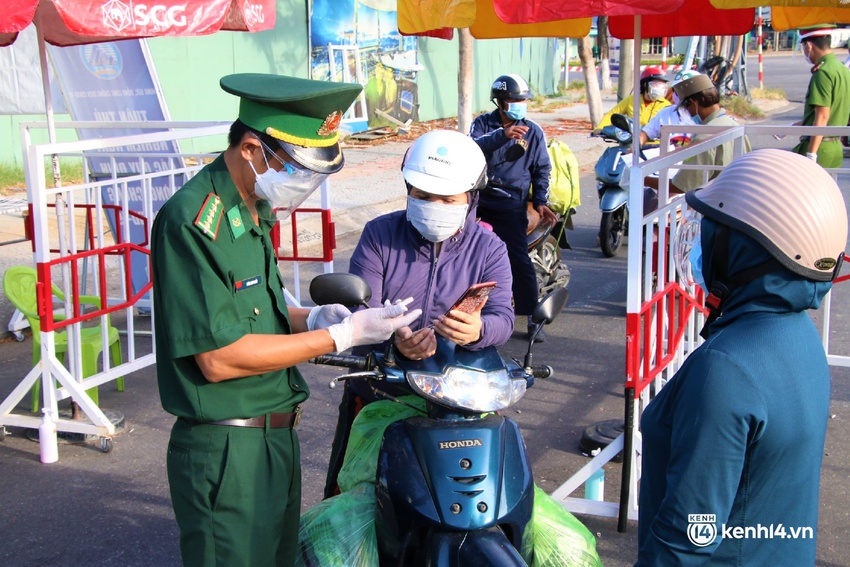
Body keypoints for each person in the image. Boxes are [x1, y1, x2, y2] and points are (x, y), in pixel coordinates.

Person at [151, 73, 422, 567]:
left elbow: (260, 313)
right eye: (299, 169)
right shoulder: (193, 221)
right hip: (227, 448)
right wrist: (337, 336)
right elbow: (218, 356)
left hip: (276, 439)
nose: (306, 183)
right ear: (253, 148)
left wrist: (314, 315)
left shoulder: (254, 209)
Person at [638, 149, 847, 564]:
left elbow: (687, 538)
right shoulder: (797, 334)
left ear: (746, 250)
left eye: (712, 232)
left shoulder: (726, 368)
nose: (700, 244)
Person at [323, 129, 515, 498]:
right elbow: (361, 307)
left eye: (446, 199)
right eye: (423, 196)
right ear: (408, 190)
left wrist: (477, 330)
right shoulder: (379, 235)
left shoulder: (489, 248)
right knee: (356, 498)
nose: (434, 205)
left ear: (470, 199)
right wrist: (396, 340)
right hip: (382, 387)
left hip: (461, 399)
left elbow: (504, 318)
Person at [469, 73, 557, 341]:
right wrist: (501, 135)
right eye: (514, 100)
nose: (520, 104)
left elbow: (542, 169)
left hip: (510, 203)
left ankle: (533, 316)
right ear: (500, 101)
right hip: (478, 198)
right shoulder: (483, 125)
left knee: (517, 259)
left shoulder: (534, 131)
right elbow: (471, 149)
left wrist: (541, 201)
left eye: (523, 100)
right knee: (458, 248)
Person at [648, 73, 751, 195]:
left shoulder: (703, 136)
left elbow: (683, 186)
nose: (689, 113)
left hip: (714, 202)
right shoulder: (733, 125)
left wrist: (642, 179)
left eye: (686, 108)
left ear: (693, 103)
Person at [791, 27, 850, 168]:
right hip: (834, 147)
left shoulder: (823, 72)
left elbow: (822, 117)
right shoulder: (842, 69)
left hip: (819, 146)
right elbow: (837, 111)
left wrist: (811, 154)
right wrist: (794, 127)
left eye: (803, 47)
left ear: (809, 46)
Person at [593, 66, 671, 132]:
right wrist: (600, 128)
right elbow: (611, 114)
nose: (660, 89)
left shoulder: (666, 106)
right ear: (645, 84)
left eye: (663, 86)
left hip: (656, 145)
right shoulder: (632, 100)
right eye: (656, 84)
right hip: (631, 142)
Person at [638, 69, 699, 148]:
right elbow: (645, 133)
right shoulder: (665, 113)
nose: (678, 94)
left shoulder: (704, 115)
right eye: (676, 90)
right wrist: (636, 146)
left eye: (684, 90)